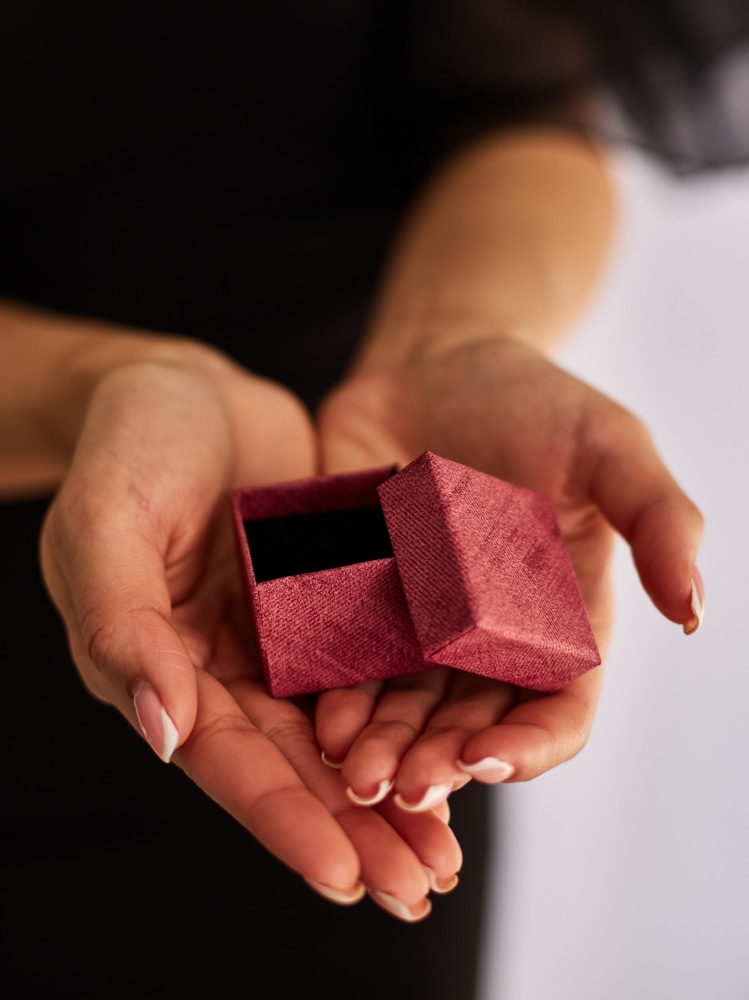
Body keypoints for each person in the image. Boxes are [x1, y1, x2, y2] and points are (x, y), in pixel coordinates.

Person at [4, 0, 741, 994]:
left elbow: (524, 115)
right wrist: (88, 388)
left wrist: (452, 333)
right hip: (128, 554)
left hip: (350, 696)